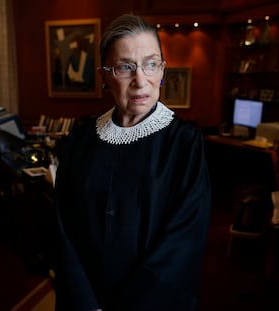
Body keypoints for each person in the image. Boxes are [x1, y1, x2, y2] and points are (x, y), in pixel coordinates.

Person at [53, 12, 212, 311]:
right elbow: (63, 228)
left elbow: (183, 242)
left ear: (162, 70)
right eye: (125, 67)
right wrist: (85, 303)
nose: (141, 81)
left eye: (151, 64)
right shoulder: (80, 140)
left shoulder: (185, 143)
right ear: (103, 76)